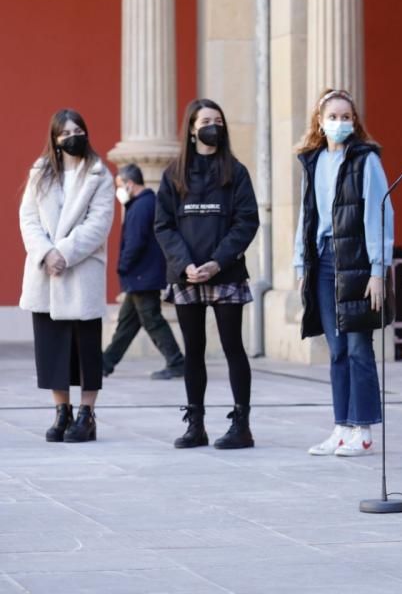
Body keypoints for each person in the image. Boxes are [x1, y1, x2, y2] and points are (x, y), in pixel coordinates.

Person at [156, 98, 260, 450]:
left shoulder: (236, 171)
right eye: (205, 120)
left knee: (233, 347)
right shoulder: (173, 174)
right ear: (191, 128)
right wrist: (185, 264)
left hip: (226, 273)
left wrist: (217, 262)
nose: (213, 125)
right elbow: (164, 225)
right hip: (185, 276)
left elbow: (247, 221)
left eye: (218, 119)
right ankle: (195, 424)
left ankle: (242, 425)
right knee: (194, 350)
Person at [294, 89, 392, 458]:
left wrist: (378, 270)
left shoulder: (365, 160)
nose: (339, 123)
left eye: (346, 117)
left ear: (355, 121)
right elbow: (308, 216)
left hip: (356, 262)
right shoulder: (313, 161)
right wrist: (301, 263)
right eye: (332, 117)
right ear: (319, 121)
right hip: (323, 260)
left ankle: (363, 430)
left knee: (358, 348)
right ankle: (341, 426)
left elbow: (381, 214)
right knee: (335, 350)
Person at [19, 109, 114, 443]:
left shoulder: (99, 174)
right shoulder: (40, 174)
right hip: (46, 272)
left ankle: (87, 414)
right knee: (52, 345)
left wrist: (65, 253)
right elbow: (28, 219)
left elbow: (99, 223)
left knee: (86, 346)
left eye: (79, 130)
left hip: (81, 269)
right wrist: (46, 253)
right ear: (55, 140)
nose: (73, 136)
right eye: (66, 132)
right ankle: (62, 411)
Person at [101, 163, 185, 379]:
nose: (117, 191)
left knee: (152, 319)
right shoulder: (146, 203)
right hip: (143, 275)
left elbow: (134, 242)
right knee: (127, 322)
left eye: (119, 185)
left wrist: (123, 266)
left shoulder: (141, 206)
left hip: (141, 275)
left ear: (130, 184)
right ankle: (104, 364)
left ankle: (176, 362)